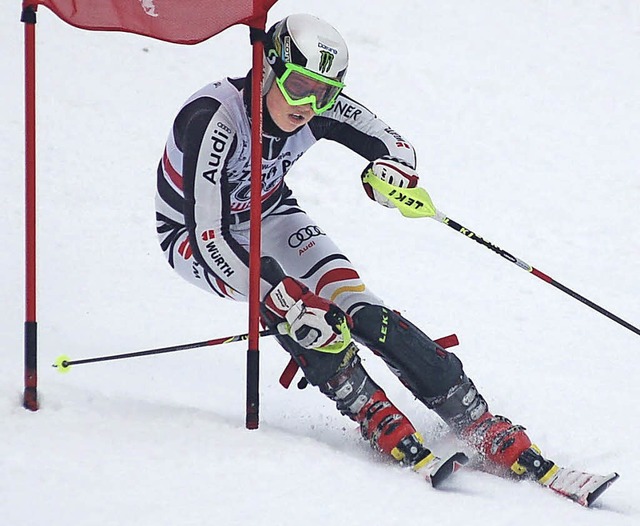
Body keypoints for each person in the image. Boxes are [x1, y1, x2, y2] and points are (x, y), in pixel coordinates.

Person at [155, 13, 556, 486]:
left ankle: (471, 412)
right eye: (300, 84)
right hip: (194, 237)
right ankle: (370, 409)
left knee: (360, 309)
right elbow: (207, 233)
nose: (308, 104)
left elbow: (394, 144)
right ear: (267, 70)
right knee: (299, 312)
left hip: (271, 213)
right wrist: (276, 292)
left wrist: (392, 172)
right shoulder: (212, 119)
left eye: (323, 92)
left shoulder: (317, 106)